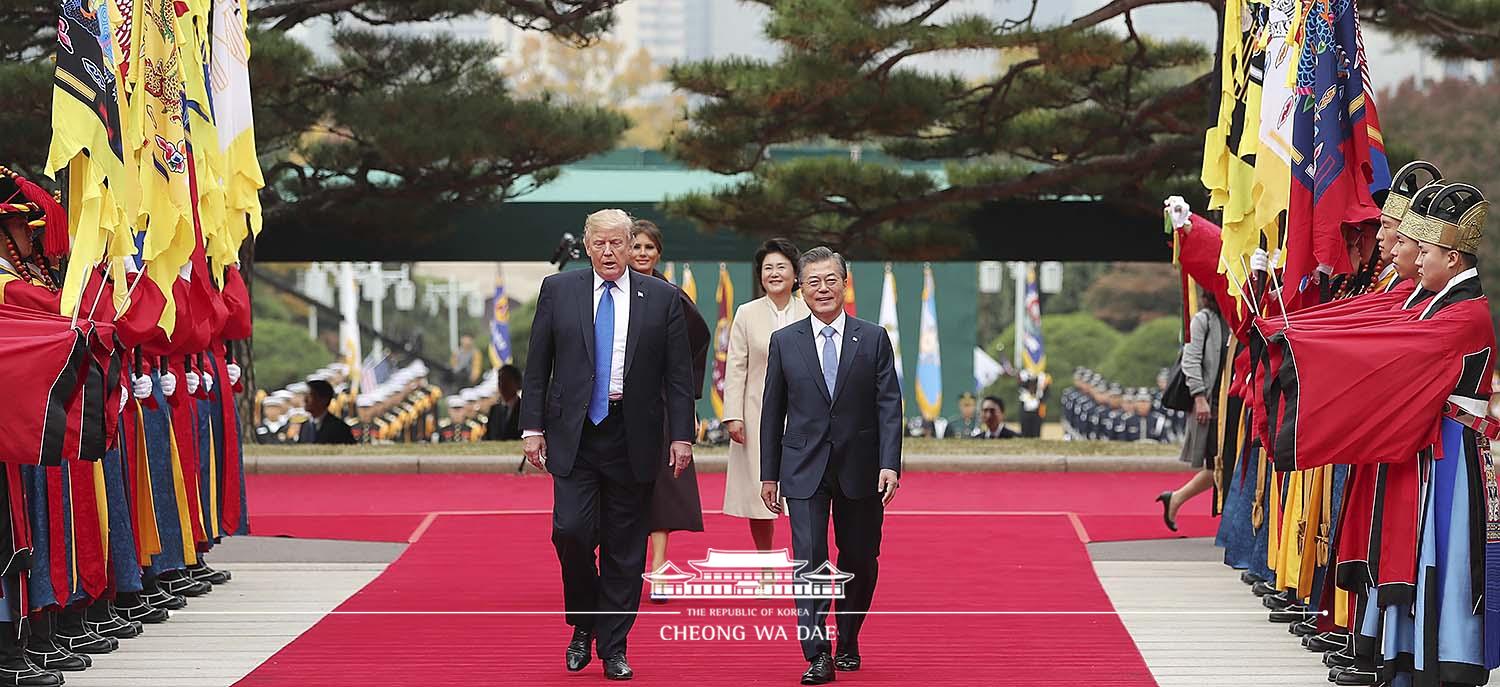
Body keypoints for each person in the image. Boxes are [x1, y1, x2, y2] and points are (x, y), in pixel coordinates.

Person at [520, 209, 696, 681]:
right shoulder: (560, 291)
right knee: (571, 531)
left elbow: (679, 375)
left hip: (632, 434)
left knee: (624, 546)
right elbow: (538, 364)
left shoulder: (661, 297)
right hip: (574, 434)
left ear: (630, 243)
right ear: (586, 245)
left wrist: (682, 434)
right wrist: (531, 427)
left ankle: (614, 645)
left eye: (618, 243)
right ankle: (584, 622)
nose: (610, 252)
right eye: (600, 243)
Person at [760, 246, 902, 684]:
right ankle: (816, 652)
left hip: (861, 467)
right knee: (810, 559)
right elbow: (772, 410)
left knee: (860, 556)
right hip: (803, 466)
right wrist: (769, 473)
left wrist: (889, 464)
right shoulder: (785, 341)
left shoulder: (873, 336)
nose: (823, 289)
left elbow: (889, 406)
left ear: (845, 282)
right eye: (814, 282)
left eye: (831, 280)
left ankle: (848, 636)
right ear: (801, 288)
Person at [629, 220, 710, 601]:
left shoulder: (671, 295)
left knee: (662, 486)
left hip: (661, 402)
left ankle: (659, 568)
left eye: (649, 247)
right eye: (637, 246)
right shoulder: (607, 293)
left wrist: (686, 401)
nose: (642, 253)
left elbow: (698, 341)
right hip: (616, 404)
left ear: (659, 253)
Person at [722, 238, 808, 551]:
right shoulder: (747, 313)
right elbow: (736, 366)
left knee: (806, 491)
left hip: (804, 415)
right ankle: (766, 561)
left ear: (796, 274)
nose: (773, 273)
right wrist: (733, 415)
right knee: (760, 491)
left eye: (781, 267)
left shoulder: (810, 309)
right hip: (757, 414)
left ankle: (806, 559)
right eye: (767, 267)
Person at [1156, 288, 1225, 531]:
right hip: (1211, 404)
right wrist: (1198, 397)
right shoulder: (1203, 320)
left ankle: (1175, 498)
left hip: (1231, 405)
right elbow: (1191, 360)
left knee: (1223, 464)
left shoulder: (1235, 319)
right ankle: (1176, 498)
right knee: (1218, 465)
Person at [298, 379, 355, 445]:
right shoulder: (304, 426)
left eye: (310, 395)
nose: (305, 400)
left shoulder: (339, 428)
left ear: (324, 399)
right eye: (305, 395)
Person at [483, 364, 523, 441]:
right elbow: (488, 436)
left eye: (506, 380)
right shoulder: (494, 409)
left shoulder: (524, 409)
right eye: (500, 379)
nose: (502, 384)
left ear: (517, 383)